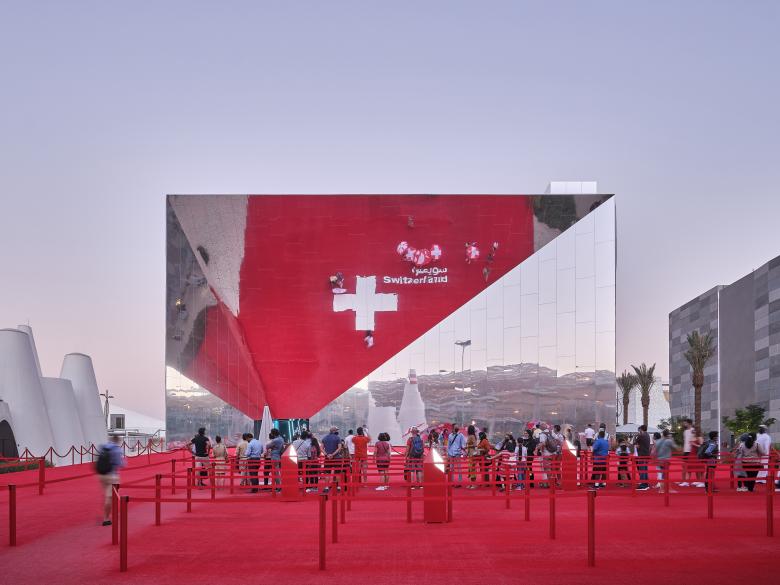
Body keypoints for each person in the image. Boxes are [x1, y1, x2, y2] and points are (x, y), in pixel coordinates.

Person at [96, 435, 124, 526]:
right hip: (112, 475)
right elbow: (121, 464)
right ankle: (106, 518)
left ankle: (109, 512)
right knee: (110, 497)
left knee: (107, 495)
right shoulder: (117, 450)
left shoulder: (103, 447)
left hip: (101, 475)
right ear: (118, 441)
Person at [322, 426, 347, 493]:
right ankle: (338, 487)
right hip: (337, 458)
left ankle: (326, 487)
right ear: (334, 431)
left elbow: (321, 448)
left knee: (327, 473)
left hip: (327, 458)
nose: (337, 431)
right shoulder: (338, 438)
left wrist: (327, 455)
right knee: (337, 473)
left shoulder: (325, 438)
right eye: (336, 430)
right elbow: (339, 448)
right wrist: (333, 454)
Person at [633, 425, 651, 490]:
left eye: (639, 429)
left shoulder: (641, 435)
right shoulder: (647, 435)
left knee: (642, 470)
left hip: (641, 455)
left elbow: (634, 443)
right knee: (645, 469)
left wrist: (635, 436)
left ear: (641, 429)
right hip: (646, 454)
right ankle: (646, 483)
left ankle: (643, 485)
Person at [679, 418, 695, 486]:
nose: (684, 424)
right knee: (683, 466)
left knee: (689, 467)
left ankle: (687, 481)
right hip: (685, 451)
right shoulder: (685, 431)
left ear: (689, 423)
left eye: (685, 423)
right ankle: (683, 480)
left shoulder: (693, 430)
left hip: (690, 451)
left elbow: (695, 439)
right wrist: (683, 450)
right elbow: (685, 441)